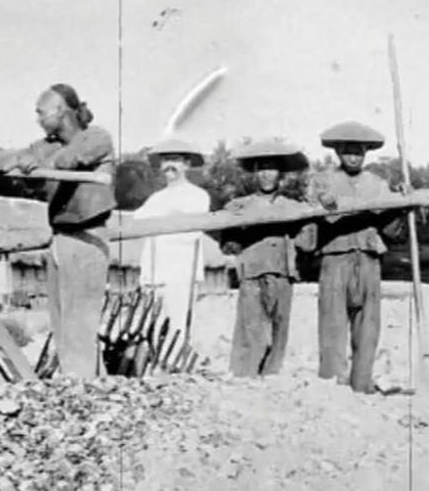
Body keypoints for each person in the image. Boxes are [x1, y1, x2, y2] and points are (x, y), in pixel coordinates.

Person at [0, 84, 116, 379]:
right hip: (60, 237)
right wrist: (21, 163)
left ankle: (84, 386)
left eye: (41, 112)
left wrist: (37, 163)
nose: (37, 118)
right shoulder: (45, 146)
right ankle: (81, 384)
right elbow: (18, 161)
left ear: (61, 112)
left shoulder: (96, 137)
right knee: (62, 322)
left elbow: (68, 161)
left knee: (81, 322)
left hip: (89, 237)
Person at [308, 121, 398, 394]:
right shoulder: (322, 181)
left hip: (369, 258)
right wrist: (325, 204)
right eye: (348, 151)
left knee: (368, 325)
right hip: (335, 256)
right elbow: (313, 216)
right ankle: (332, 386)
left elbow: (391, 228)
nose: (353, 157)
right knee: (332, 323)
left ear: (365, 153)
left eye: (358, 152)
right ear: (338, 153)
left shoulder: (378, 184)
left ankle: (361, 384)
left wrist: (401, 205)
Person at [220, 140, 316, 378]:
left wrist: (310, 216)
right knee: (249, 327)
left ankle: (271, 375)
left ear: (280, 174)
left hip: (282, 271)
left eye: (271, 169)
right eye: (261, 168)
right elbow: (228, 245)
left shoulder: (293, 207)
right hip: (252, 272)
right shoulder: (239, 205)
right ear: (255, 172)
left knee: (279, 328)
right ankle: (244, 375)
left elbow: (308, 243)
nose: (266, 175)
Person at [133, 138, 211, 352]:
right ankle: (155, 366)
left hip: (181, 272)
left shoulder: (197, 196)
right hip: (155, 271)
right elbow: (137, 223)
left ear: (186, 164)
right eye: (165, 160)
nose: (170, 165)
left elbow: (192, 233)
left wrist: (167, 217)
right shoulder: (156, 198)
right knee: (154, 324)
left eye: (175, 160)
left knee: (178, 325)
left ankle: (175, 370)